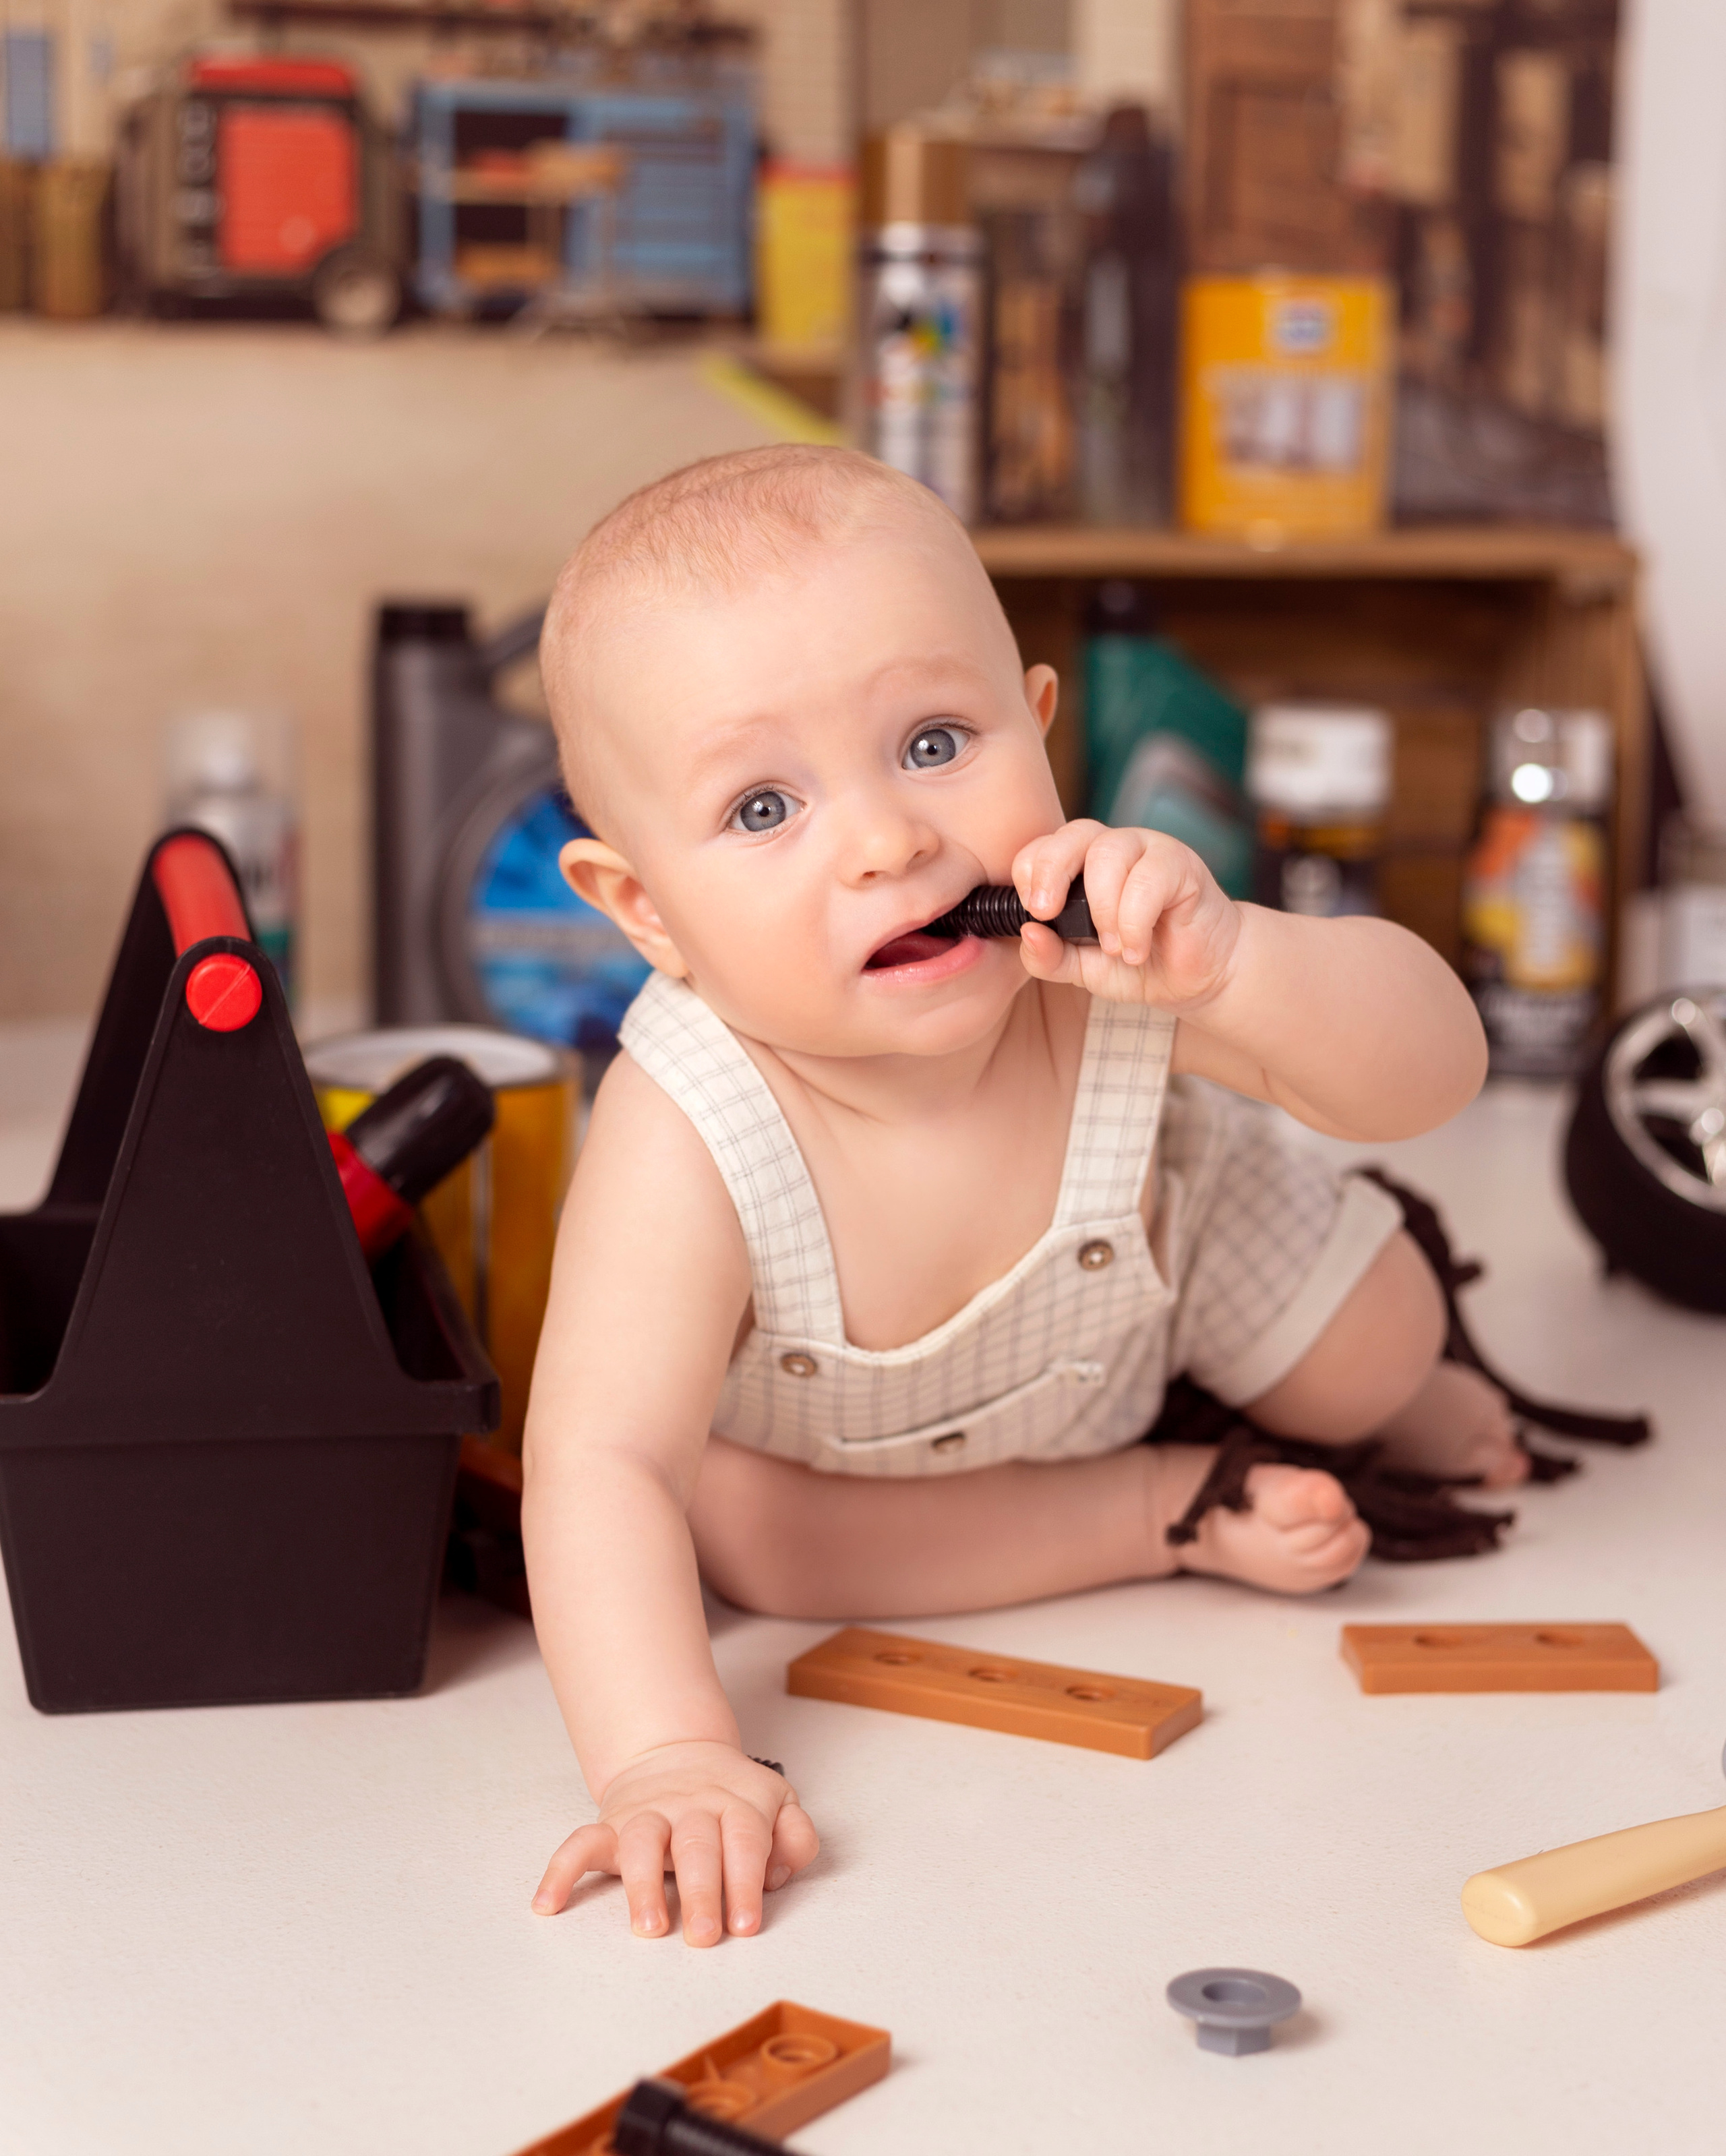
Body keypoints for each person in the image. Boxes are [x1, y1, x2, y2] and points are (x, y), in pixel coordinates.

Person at [521, 445, 1515, 1948]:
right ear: (643, 907)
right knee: (754, 1547)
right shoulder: (688, 1115)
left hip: (1156, 1271)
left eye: (932, 743)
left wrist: (1241, 966)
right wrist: (665, 1755)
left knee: (1370, 1357)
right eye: (762, 809)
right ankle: (1162, 1506)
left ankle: (1341, 1392)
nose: (887, 840)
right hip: (848, 1486)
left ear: (1040, 730)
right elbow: (597, 1463)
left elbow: (1433, 1076)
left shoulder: (1107, 954)